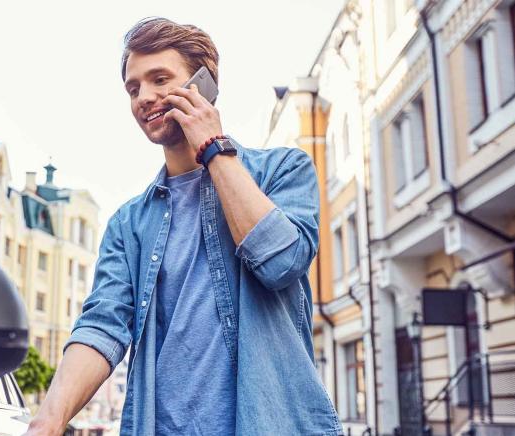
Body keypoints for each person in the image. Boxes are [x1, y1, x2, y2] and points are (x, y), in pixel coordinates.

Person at [26, 17, 341, 436]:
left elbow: (281, 262)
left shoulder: (283, 170)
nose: (144, 97)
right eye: (133, 87)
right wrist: (48, 422)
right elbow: (102, 327)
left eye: (160, 79)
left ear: (203, 84)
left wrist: (213, 147)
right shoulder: (128, 224)